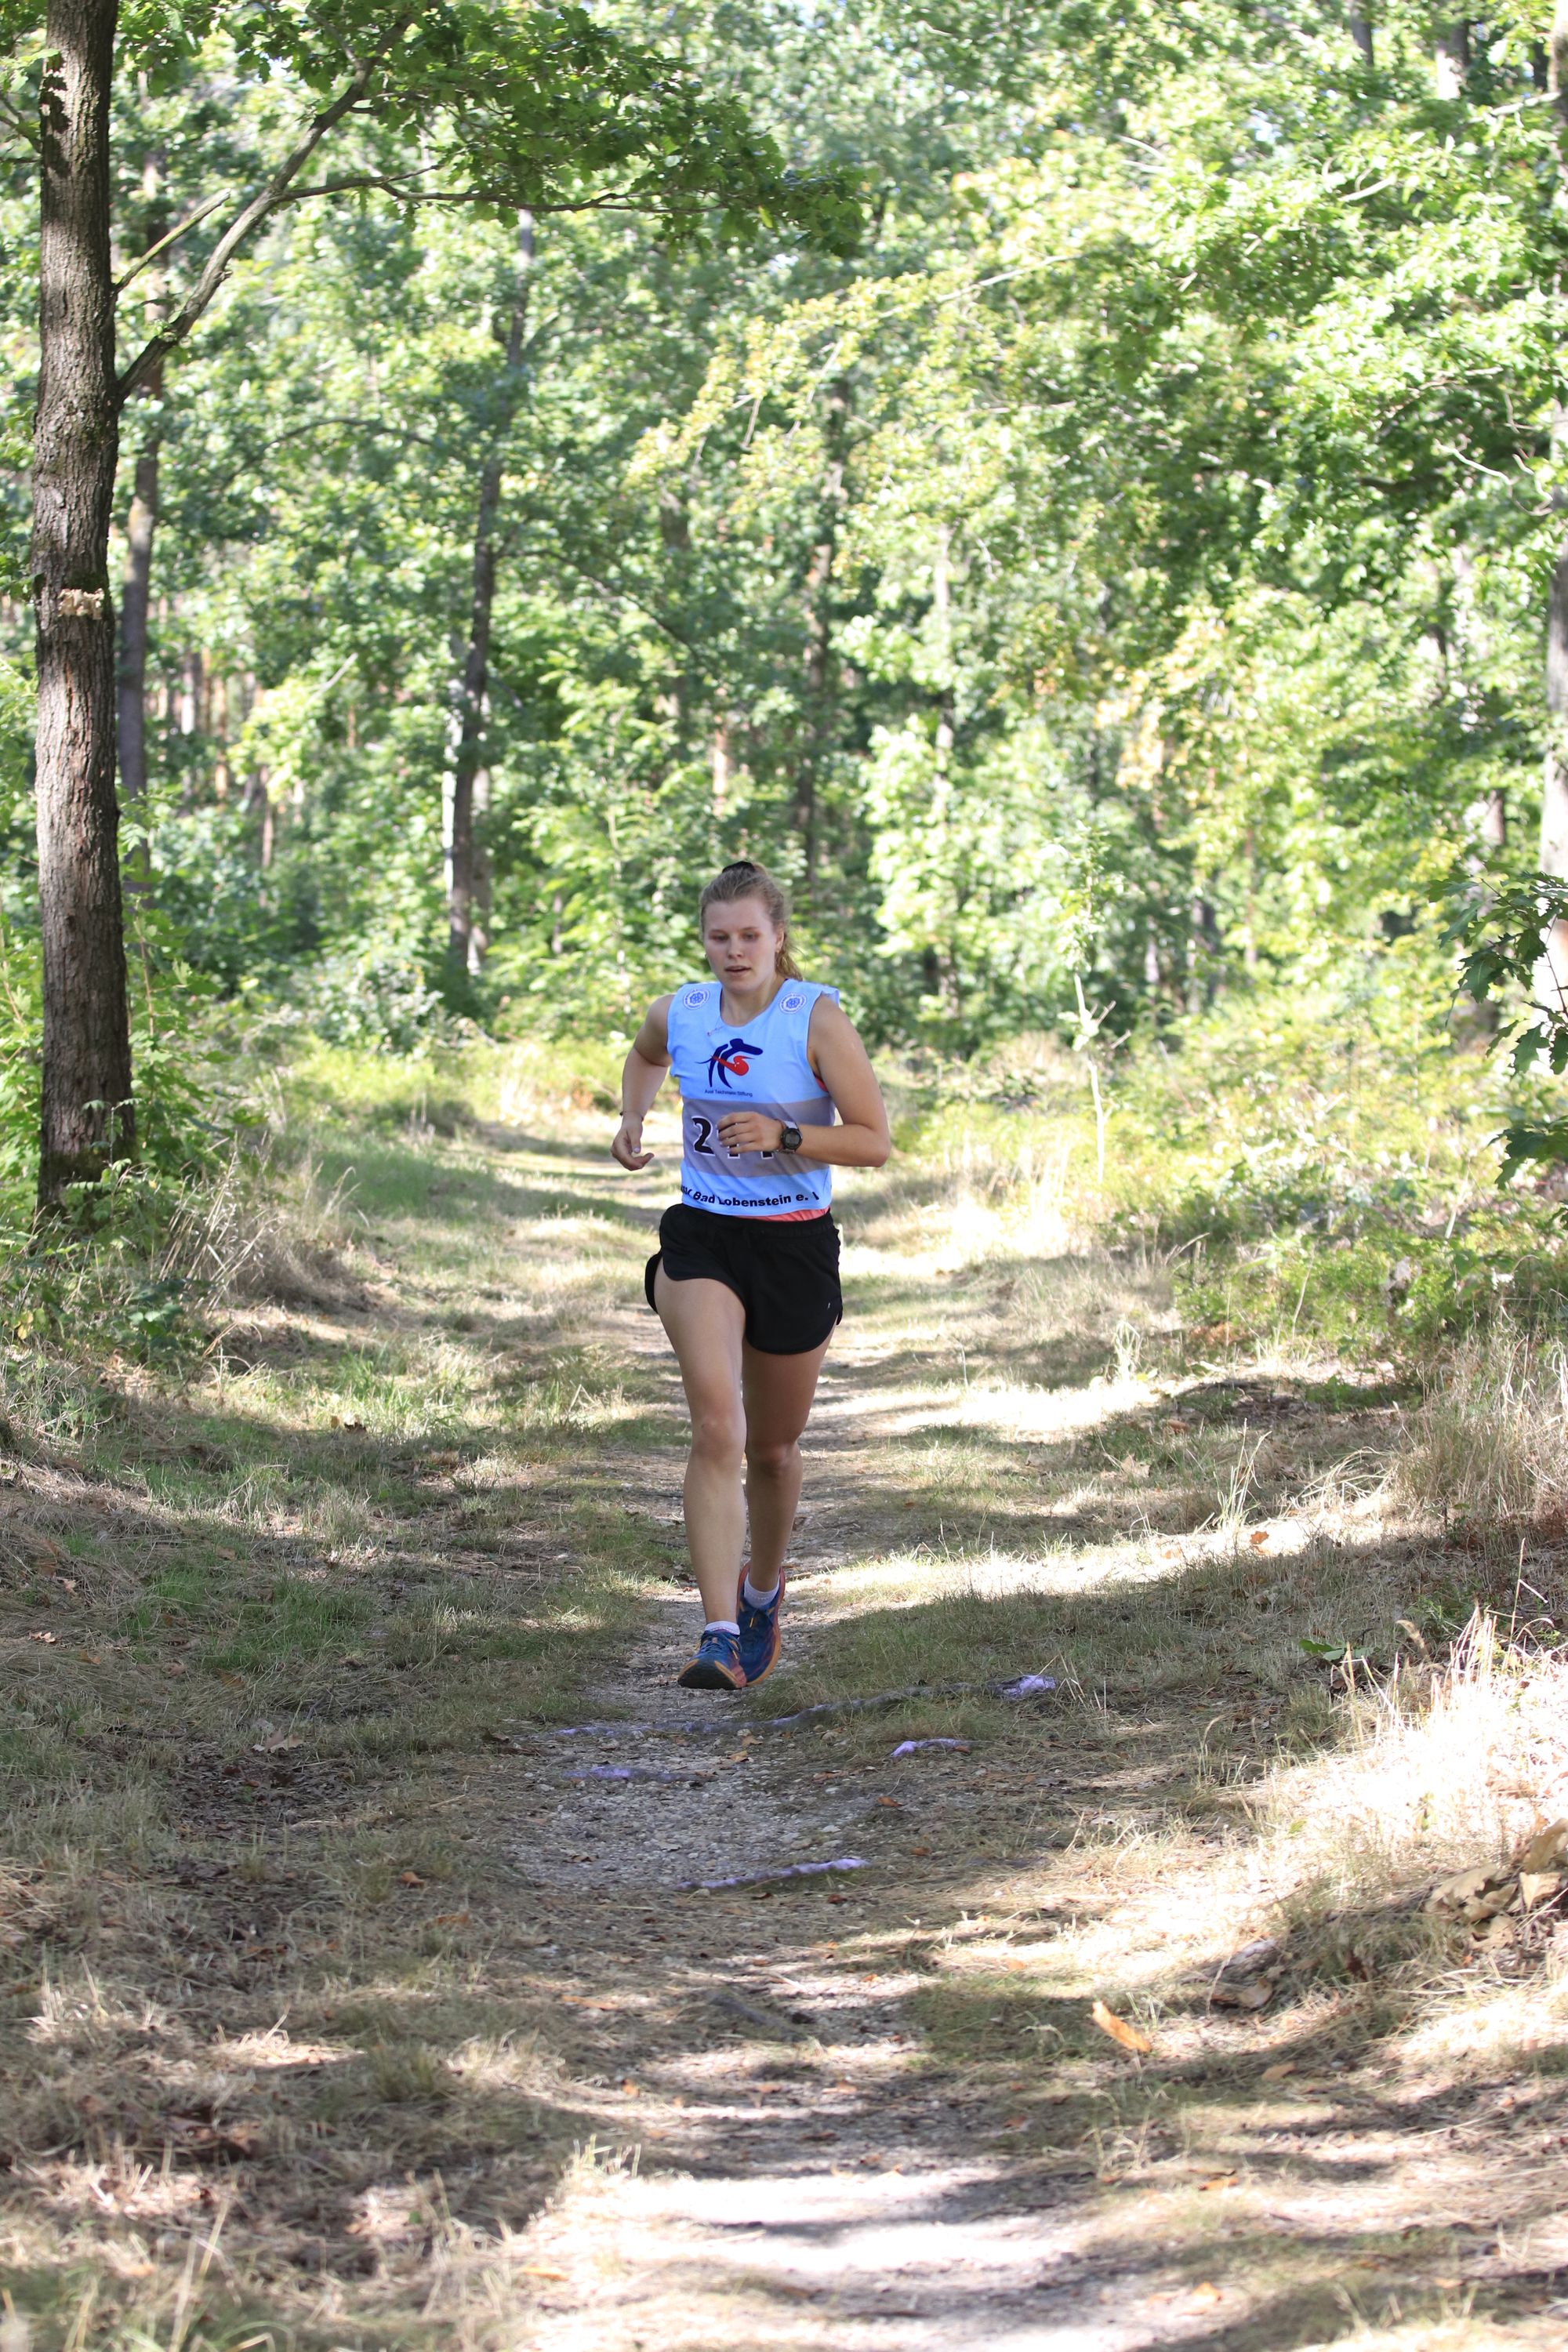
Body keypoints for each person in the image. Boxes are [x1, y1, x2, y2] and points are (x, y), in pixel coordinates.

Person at [611, 859, 891, 1690]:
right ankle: (718, 1633)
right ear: (703, 940)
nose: (733, 951)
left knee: (771, 1449)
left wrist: (785, 1136)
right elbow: (644, 1055)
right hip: (703, 1237)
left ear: (776, 938)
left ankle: (761, 1592)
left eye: (748, 936)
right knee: (717, 1427)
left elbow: (873, 1141)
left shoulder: (816, 1018)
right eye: (718, 937)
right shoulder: (682, 1012)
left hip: (792, 1246)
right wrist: (631, 1118)